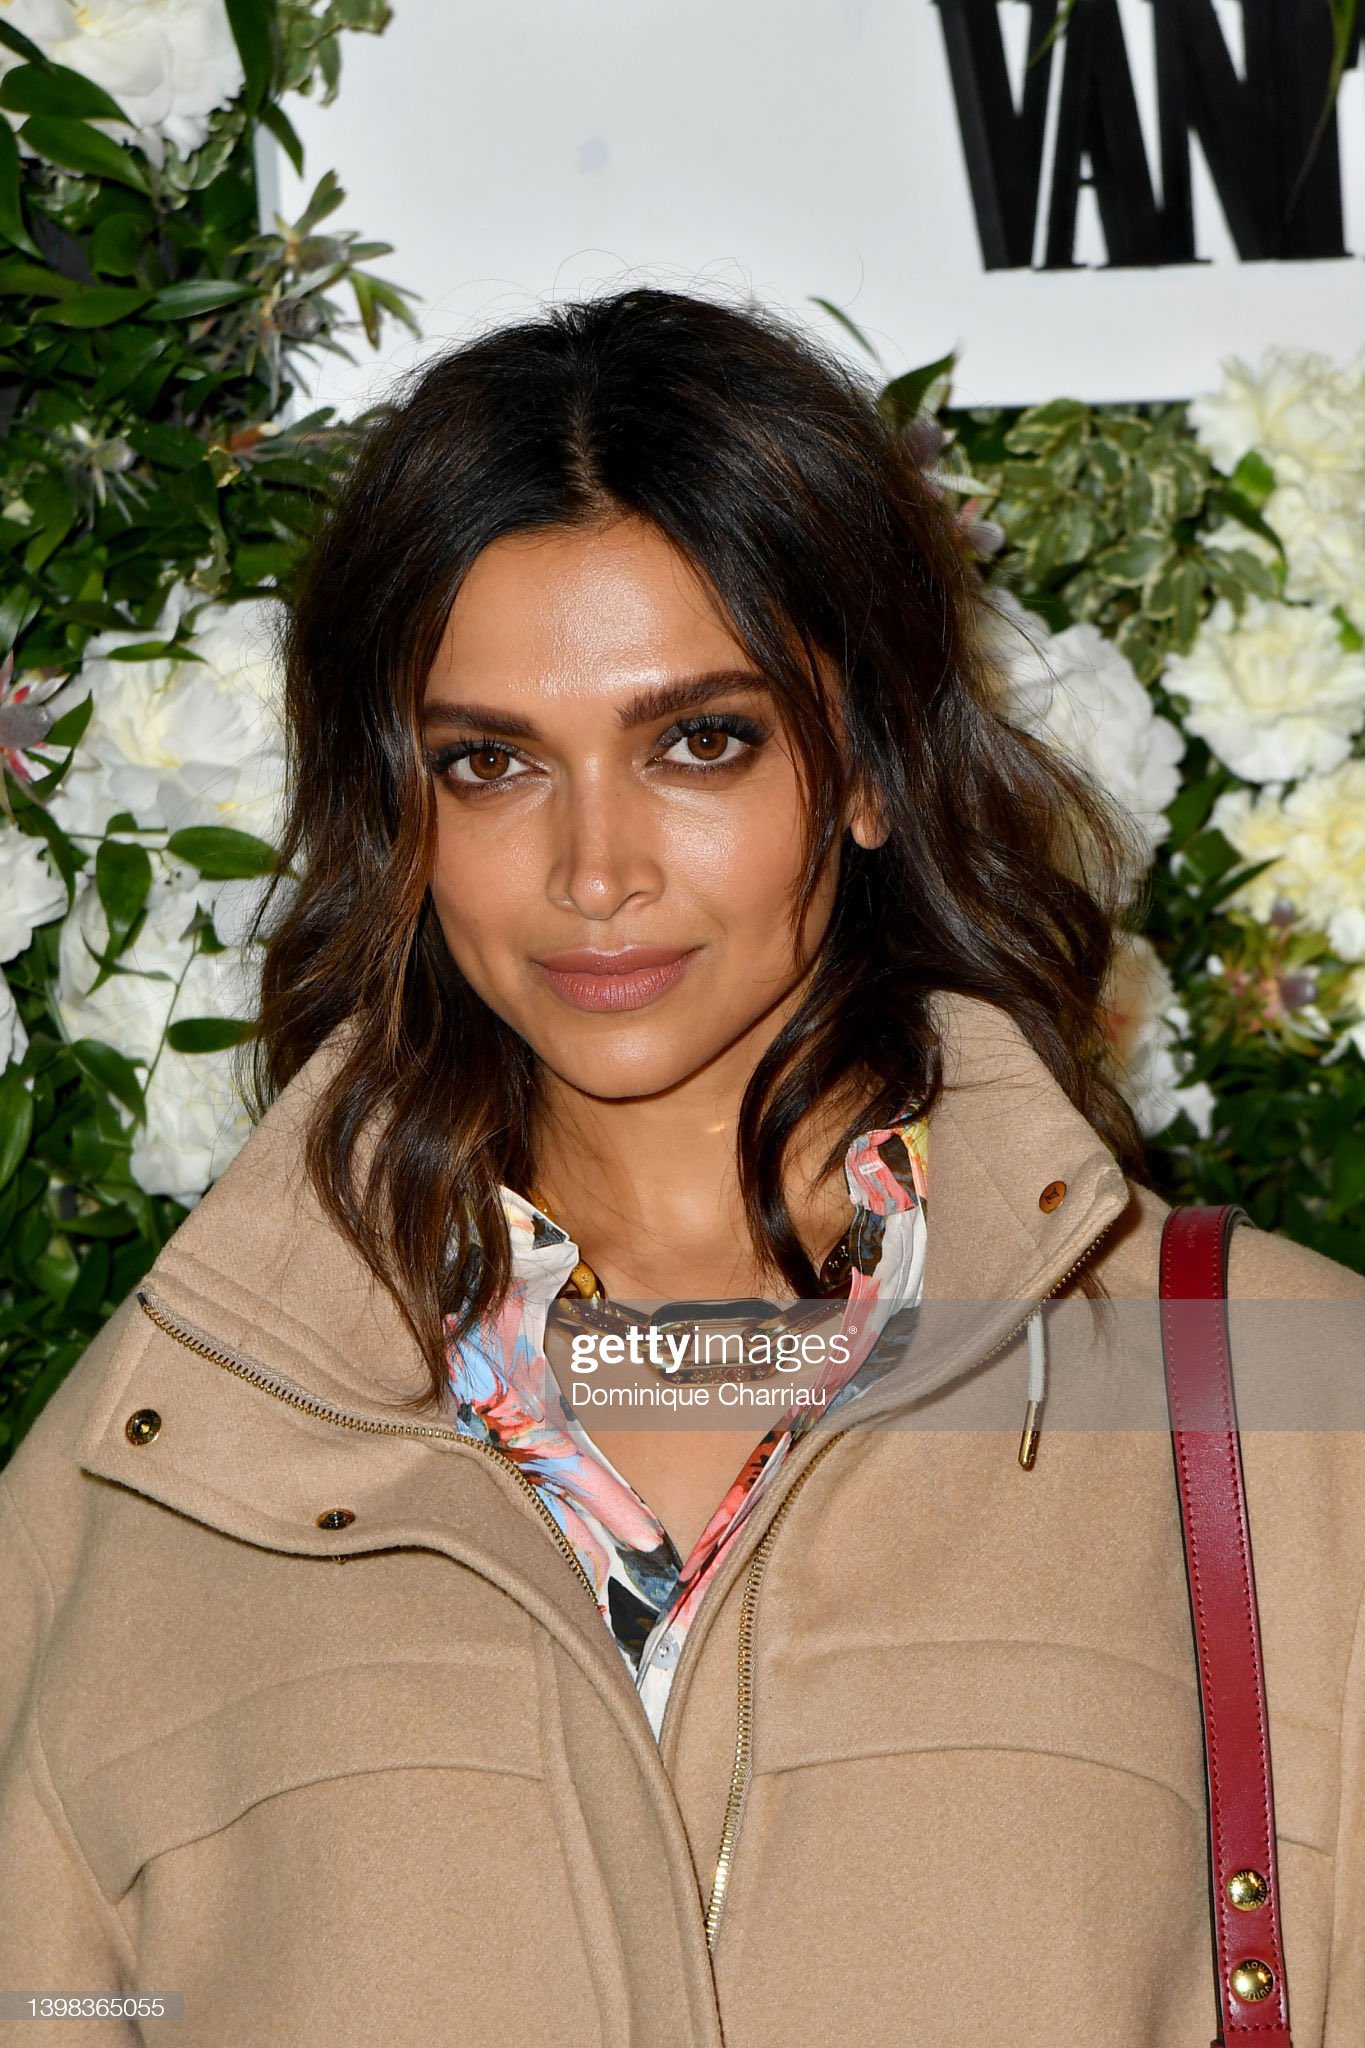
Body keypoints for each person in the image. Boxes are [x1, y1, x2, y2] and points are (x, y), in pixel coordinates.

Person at [1, 288, 1362, 2048]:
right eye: (488, 764)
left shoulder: (1278, 1407)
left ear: (865, 759)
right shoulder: (157, 1468)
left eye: (697, 739)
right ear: (393, 812)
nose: (595, 867)